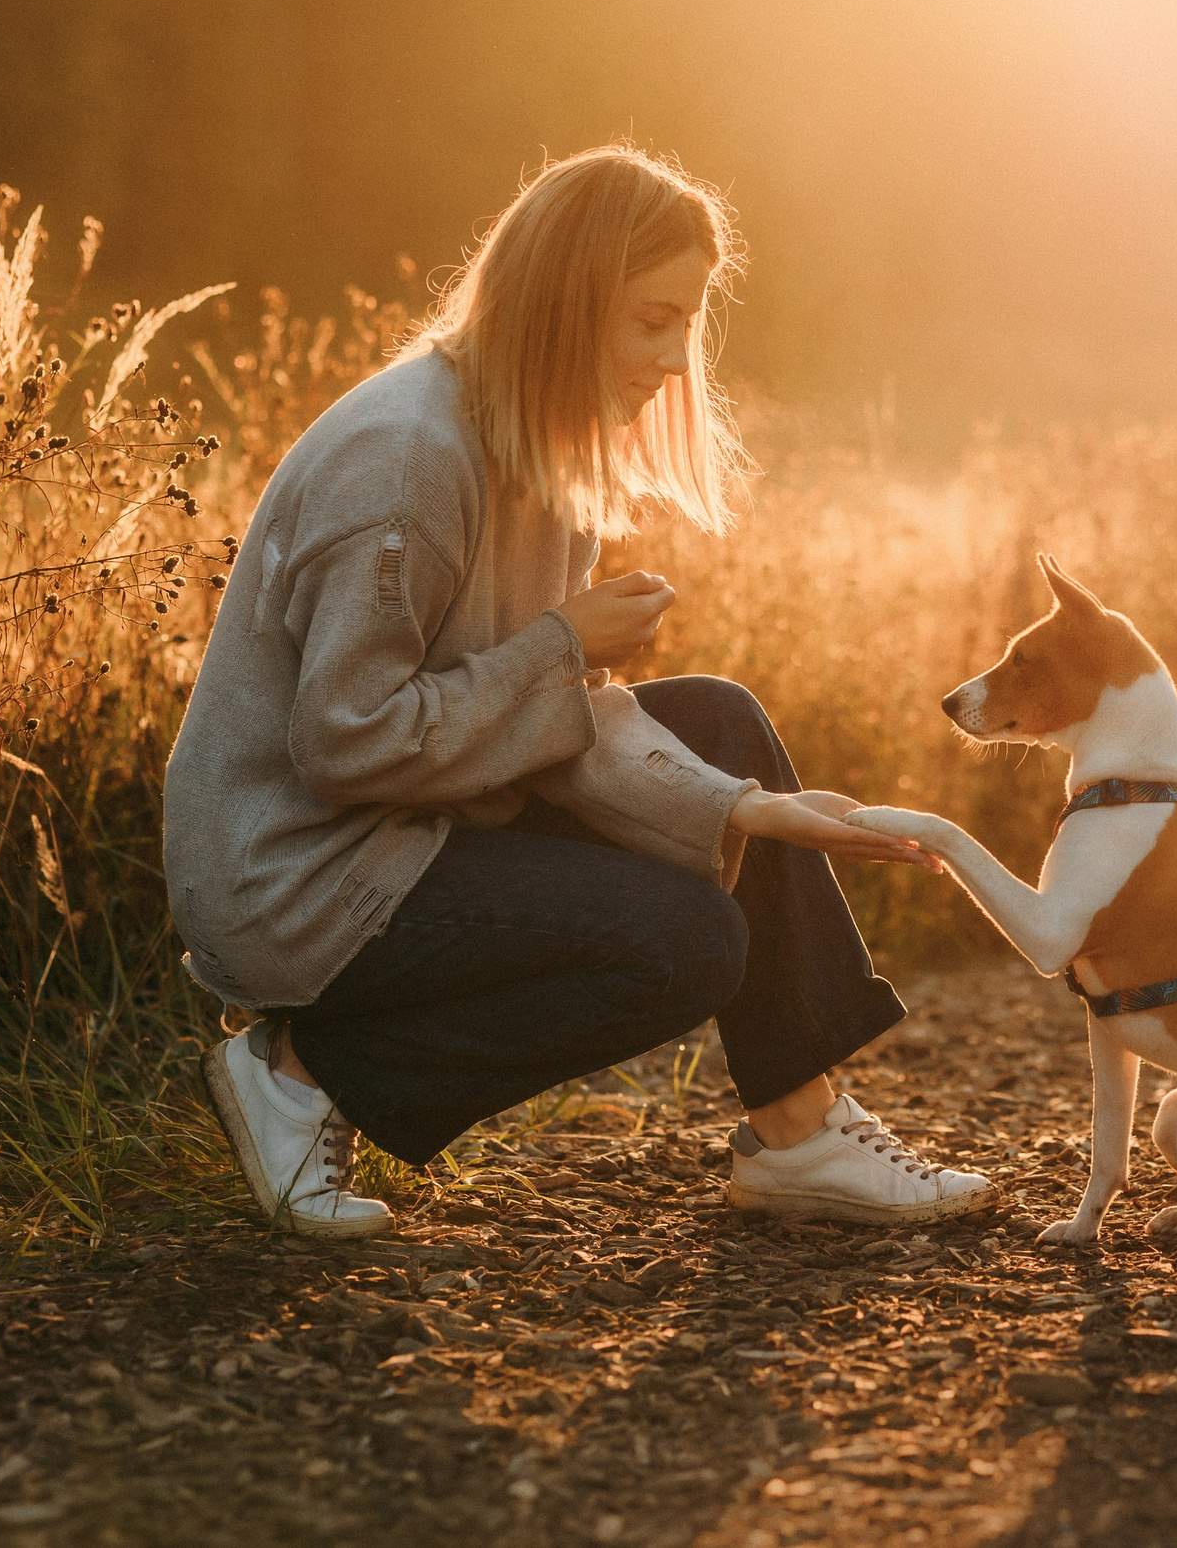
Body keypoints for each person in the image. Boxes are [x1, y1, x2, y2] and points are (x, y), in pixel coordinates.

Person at [163, 144, 991, 1236]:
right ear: (564, 300)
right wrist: (560, 645)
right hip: (302, 881)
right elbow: (347, 742)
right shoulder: (405, 461)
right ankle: (303, 1074)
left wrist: (748, 808)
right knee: (685, 944)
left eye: (688, 324)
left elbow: (556, 722)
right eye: (653, 321)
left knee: (722, 722)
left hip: (418, 820)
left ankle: (799, 1133)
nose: (677, 361)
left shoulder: (537, 446)